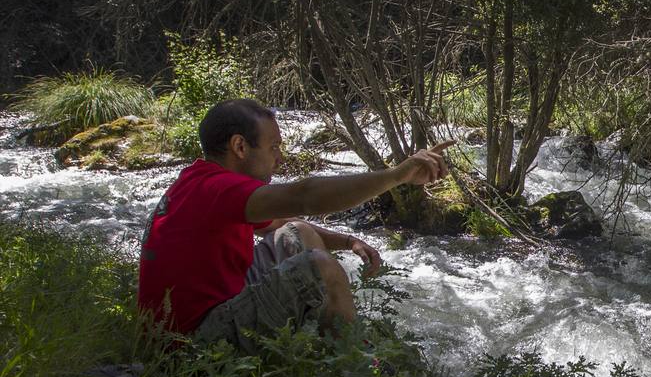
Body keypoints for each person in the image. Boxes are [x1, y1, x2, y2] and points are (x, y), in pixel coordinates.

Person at [138, 98, 452, 351]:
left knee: (299, 232)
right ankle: (357, 369)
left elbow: (281, 222)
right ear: (240, 147)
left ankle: (324, 339)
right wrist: (397, 176)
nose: (280, 158)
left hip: (186, 323)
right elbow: (305, 197)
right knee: (321, 267)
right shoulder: (219, 189)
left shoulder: (200, 181)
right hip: (192, 345)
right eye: (273, 147)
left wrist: (347, 241)